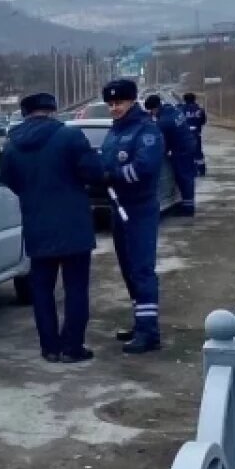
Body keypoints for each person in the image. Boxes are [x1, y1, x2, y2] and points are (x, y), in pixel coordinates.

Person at [1, 91, 109, 363]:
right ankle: (72, 347)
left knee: (42, 290)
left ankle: (49, 347)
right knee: (75, 289)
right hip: (74, 225)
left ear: (26, 113)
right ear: (52, 110)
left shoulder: (12, 144)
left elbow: (9, 179)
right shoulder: (69, 137)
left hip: (37, 224)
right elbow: (95, 173)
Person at [102, 80, 165, 353]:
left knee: (141, 268)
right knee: (128, 270)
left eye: (120, 103)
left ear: (132, 102)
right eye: (111, 104)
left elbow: (145, 168)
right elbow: (107, 162)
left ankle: (149, 332)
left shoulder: (146, 130)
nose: (115, 108)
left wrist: (113, 175)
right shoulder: (115, 132)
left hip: (140, 208)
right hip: (118, 208)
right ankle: (140, 322)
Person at [144, 94, 197, 217]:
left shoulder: (163, 122)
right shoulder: (173, 110)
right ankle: (186, 204)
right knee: (186, 176)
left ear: (155, 108)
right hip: (188, 144)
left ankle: (188, 208)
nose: (152, 114)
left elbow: (162, 142)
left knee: (184, 177)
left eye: (151, 111)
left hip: (182, 150)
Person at [181, 92, 208, 177]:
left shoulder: (181, 110)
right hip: (197, 134)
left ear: (184, 100)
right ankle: (201, 170)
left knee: (186, 153)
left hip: (185, 136)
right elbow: (203, 121)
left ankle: (190, 170)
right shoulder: (200, 110)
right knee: (198, 153)